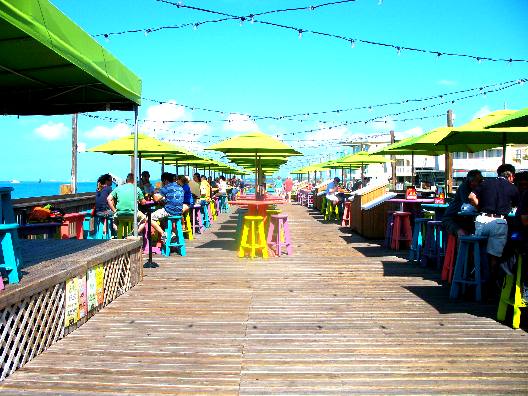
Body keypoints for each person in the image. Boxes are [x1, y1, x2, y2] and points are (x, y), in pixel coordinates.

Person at [470, 164, 519, 282]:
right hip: (499, 222)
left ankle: (475, 273)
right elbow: (518, 206)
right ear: (511, 176)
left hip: (482, 220)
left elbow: (471, 197)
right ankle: (491, 282)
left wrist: (479, 207)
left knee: (478, 247)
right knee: (494, 256)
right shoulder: (512, 188)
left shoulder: (486, 183)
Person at [442, 169, 483, 236]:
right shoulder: (463, 187)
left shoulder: (477, 188)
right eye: (478, 181)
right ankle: (461, 245)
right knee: (463, 233)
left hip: (464, 219)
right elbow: (467, 206)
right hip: (451, 218)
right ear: (471, 181)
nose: (480, 183)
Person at [150, 172, 185, 243]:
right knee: (164, 219)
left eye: (162, 181)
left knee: (149, 217)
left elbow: (156, 199)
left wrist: (152, 193)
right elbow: (175, 200)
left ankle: (163, 234)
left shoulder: (167, 187)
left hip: (170, 211)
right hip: (179, 212)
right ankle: (172, 234)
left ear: (165, 180)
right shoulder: (180, 187)